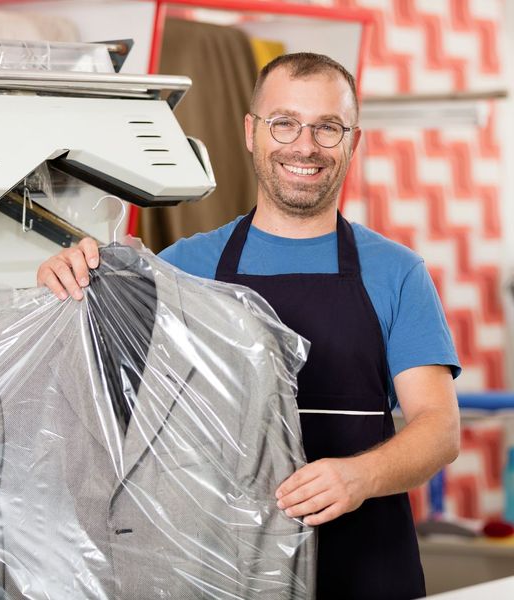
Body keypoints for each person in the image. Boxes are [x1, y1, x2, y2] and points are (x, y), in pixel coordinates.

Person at [37, 53, 460, 599]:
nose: (304, 146)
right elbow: (103, 401)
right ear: (251, 132)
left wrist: (361, 478)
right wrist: (68, 287)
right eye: (283, 123)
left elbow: (439, 430)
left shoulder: (397, 272)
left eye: (327, 128)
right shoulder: (183, 267)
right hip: (220, 569)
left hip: (368, 569)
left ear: (353, 141)